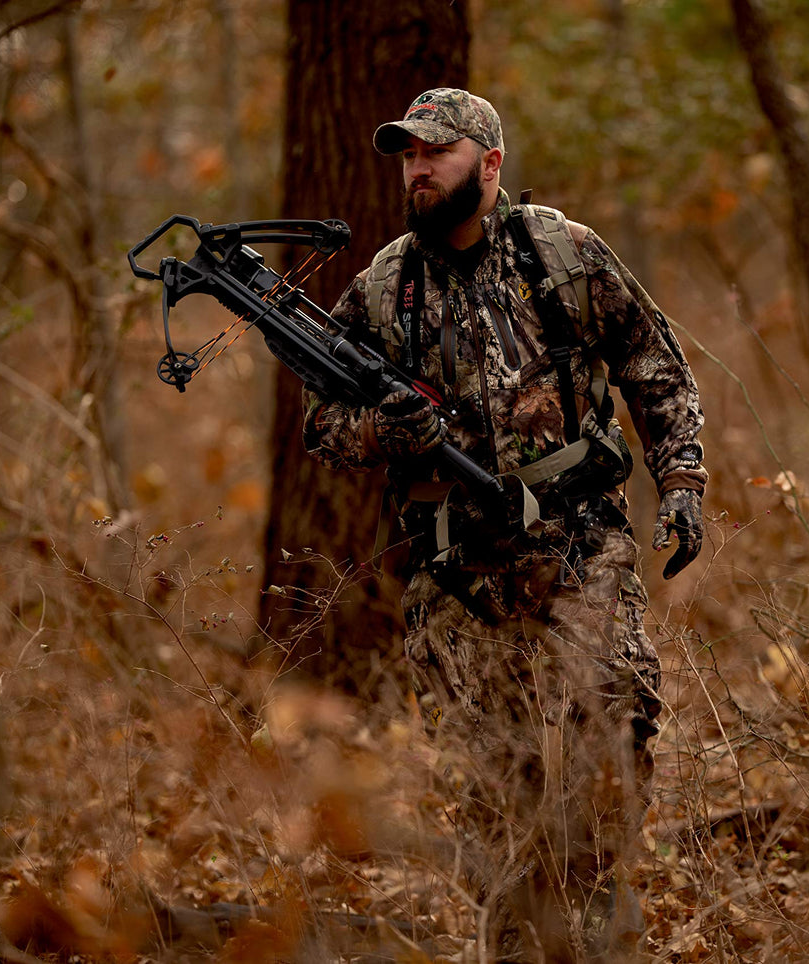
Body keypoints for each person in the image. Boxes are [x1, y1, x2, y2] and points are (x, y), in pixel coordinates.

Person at [302, 88, 707, 963]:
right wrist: (381, 429)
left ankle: (595, 926)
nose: (417, 167)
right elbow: (319, 424)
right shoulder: (384, 286)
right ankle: (518, 947)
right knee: (493, 786)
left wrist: (680, 481)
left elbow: (655, 366)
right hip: (454, 569)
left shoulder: (562, 254)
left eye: (437, 151)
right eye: (408, 153)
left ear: (488, 164)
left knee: (617, 724)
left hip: (578, 538)